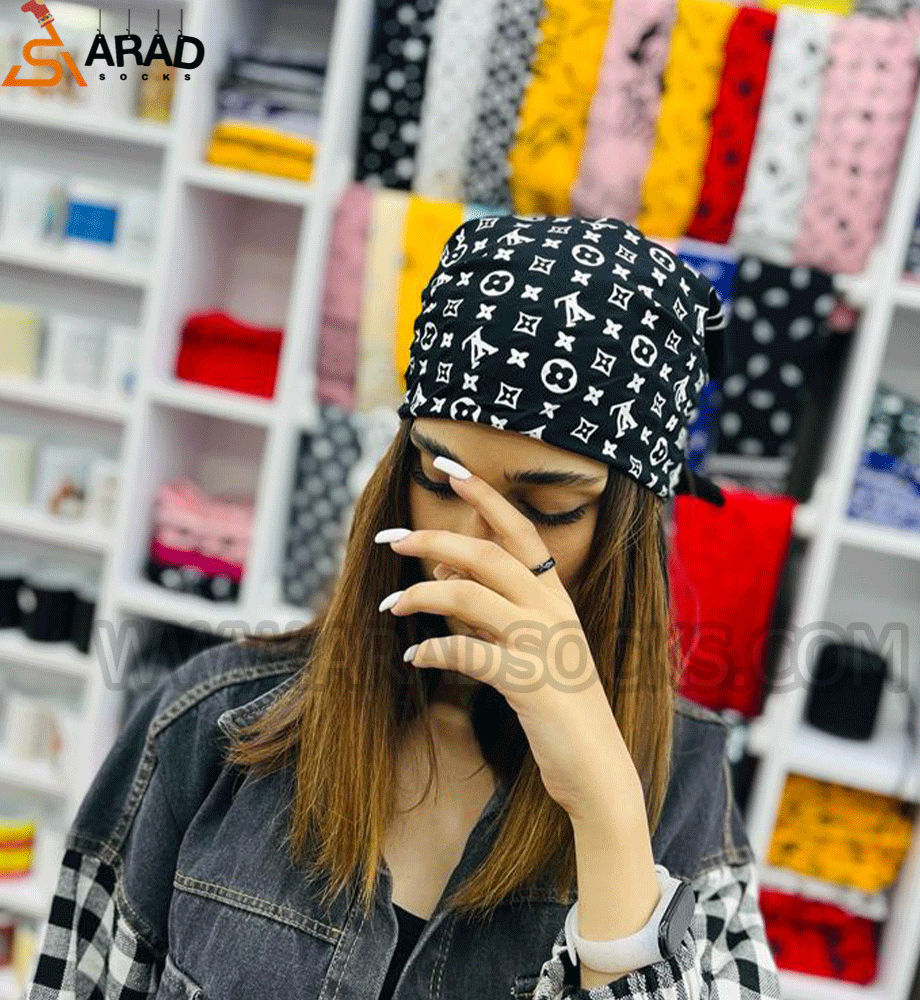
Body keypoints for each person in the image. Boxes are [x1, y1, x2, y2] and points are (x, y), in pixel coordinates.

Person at [25, 214, 781, 1000]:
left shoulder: (686, 790)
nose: (468, 544)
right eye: (437, 477)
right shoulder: (210, 723)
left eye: (547, 507)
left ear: (626, 526)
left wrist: (609, 813)